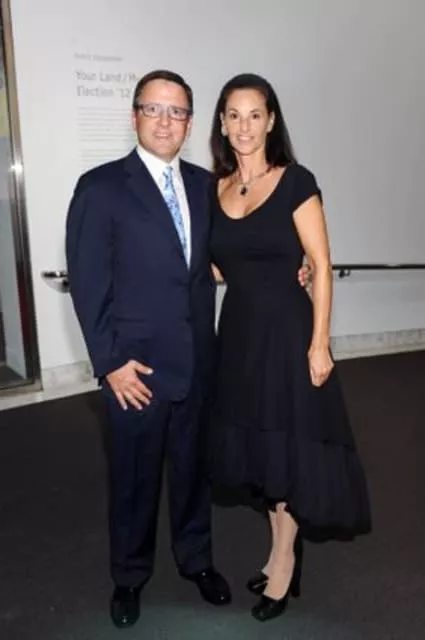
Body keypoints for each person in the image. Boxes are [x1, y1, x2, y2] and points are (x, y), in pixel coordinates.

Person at [65, 70, 232, 629]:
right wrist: (110, 363)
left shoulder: (206, 187)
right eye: (154, 109)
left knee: (194, 472)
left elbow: (219, 260)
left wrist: (289, 270)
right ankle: (129, 576)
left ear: (190, 122)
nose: (165, 121)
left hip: (197, 363)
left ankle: (197, 559)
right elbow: (89, 284)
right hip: (134, 370)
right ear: (134, 115)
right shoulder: (100, 188)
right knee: (133, 480)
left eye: (177, 111)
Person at [208, 73, 371, 622]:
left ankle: (282, 563)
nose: (244, 126)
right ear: (222, 123)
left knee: (287, 448)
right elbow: (219, 264)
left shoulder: (296, 181)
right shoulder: (217, 188)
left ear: (271, 121)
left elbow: (320, 264)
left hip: (286, 335)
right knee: (263, 451)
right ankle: (282, 550)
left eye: (255, 115)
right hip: (239, 338)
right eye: (234, 115)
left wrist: (320, 343)